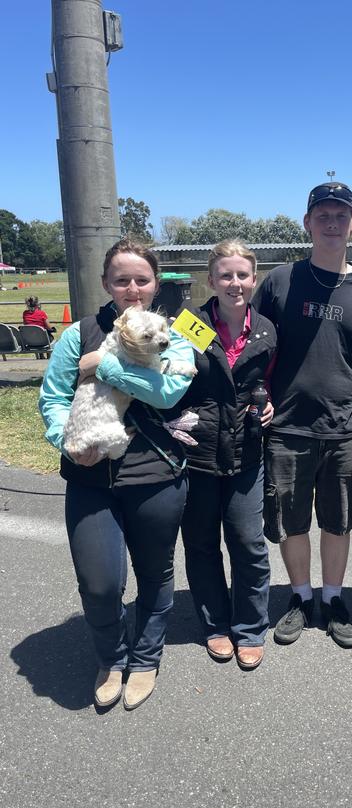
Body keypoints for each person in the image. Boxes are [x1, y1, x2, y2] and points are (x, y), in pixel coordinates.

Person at [39, 239, 196, 710]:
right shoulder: (79, 333)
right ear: (107, 283)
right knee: (101, 582)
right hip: (90, 476)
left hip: (155, 475)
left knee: (155, 572)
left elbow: (167, 394)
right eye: (122, 280)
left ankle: (145, 658)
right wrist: (65, 439)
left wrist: (104, 365)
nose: (132, 289)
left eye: (141, 280)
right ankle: (111, 656)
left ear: (155, 284)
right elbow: (53, 397)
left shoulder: (176, 334)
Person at [252, 182, 352, 648]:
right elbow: (251, 341)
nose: (332, 222)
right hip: (286, 425)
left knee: (338, 519)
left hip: (344, 426)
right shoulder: (280, 279)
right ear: (307, 222)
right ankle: (300, 597)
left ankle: (333, 598)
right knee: (291, 520)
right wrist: (256, 392)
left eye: (340, 214)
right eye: (322, 214)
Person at [174, 240, 276, 671]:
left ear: (254, 279)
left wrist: (268, 399)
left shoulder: (267, 329)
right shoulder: (188, 324)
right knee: (200, 543)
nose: (235, 283)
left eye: (243, 275)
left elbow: (270, 378)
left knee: (249, 543)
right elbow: (169, 380)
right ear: (211, 280)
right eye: (225, 275)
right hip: (196, 452)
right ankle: (215, 624)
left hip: (246, 452)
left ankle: (250, 628)